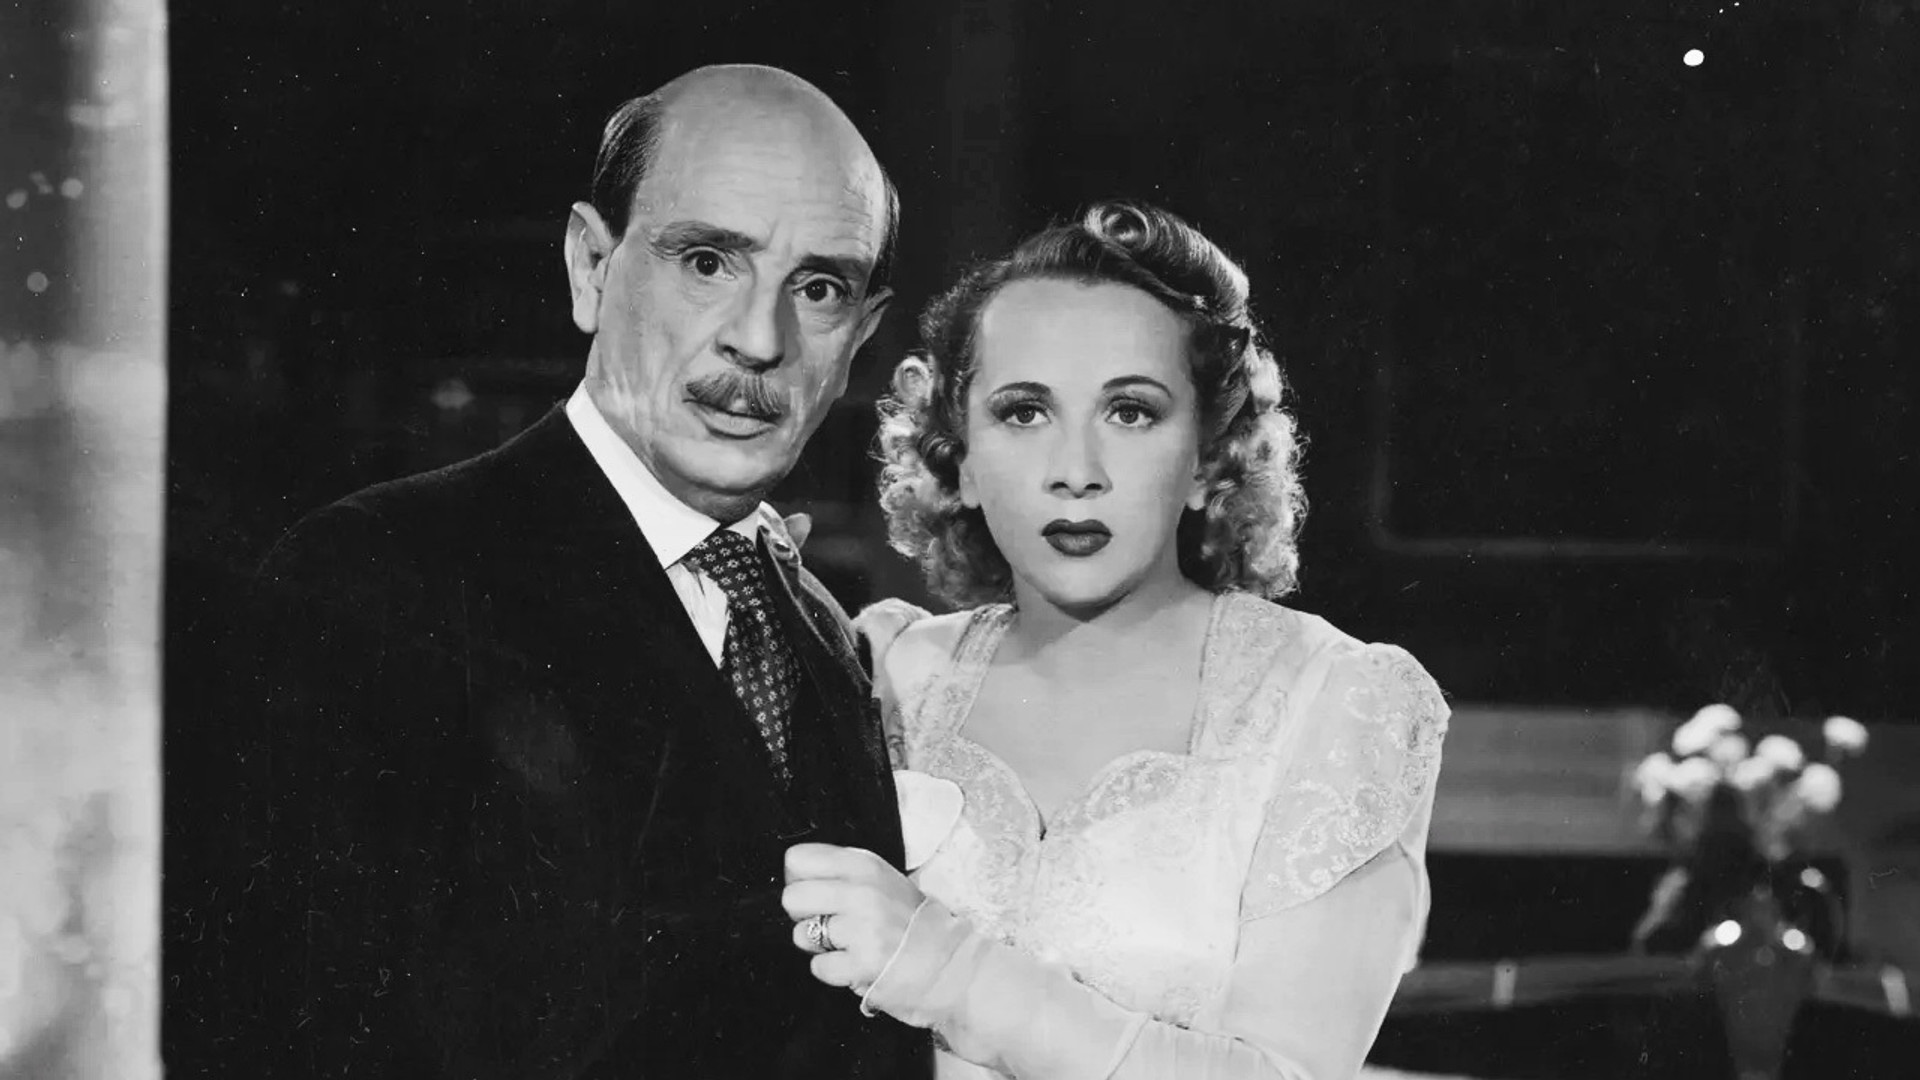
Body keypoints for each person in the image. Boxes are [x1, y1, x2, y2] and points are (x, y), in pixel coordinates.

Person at [199, 65, 930, 1079]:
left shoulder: (820, 630)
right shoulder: (377, 576)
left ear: (862, 335)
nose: (759, 340)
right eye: (707, 261)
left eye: (818, 289)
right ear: (591, 265)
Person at [779, 201, 1450, 1079]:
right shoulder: (892, 674)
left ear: (1208, 457)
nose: (1076, 471)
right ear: (961, 459)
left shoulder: (1335, 704)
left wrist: (945, 971)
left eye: (1130, 412)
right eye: (1025, 412)